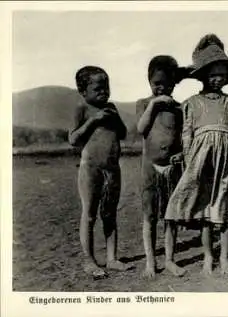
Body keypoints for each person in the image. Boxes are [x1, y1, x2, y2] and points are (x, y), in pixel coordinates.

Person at [165, 34, 228, 275]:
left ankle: (225, 257)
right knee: (205, 211)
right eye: (213, 74)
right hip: (200, 160)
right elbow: (186, 135)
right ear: (203, 75)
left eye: (222, 75)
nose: (218, 79)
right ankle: (208, 256)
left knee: (225, 211)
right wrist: (187, 161)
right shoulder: (192, 103)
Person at [69, 66, 133, 279]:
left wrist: (114, 119)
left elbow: (123, 134)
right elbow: (73, 139)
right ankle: (89, 261)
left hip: (113, 169)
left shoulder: (111, 108)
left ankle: (112, 258)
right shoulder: (82, 108)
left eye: (106, 87)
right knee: (89, 214)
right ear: (83, 91)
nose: (104, 92)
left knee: (110, 213)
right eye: (98, 88)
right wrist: (94, 120)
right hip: (90, 169)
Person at [136, 56, 188, 278]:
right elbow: (141, 128)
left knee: (171, 216)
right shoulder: (143, 104)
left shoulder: (179, 108)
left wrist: (181, 154)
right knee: (149, 216)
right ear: (149, 81)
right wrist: (154, 104)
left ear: (174, 83)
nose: (162, 87)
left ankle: (169, 260)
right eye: (156, 83)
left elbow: (184, 137)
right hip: (150, 168)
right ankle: (150, 261)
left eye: (167, 83)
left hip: (172, 168)